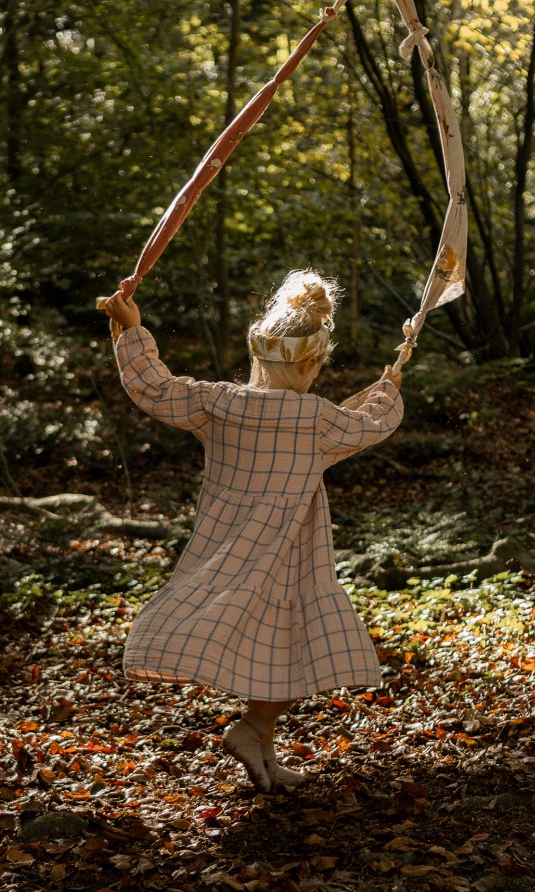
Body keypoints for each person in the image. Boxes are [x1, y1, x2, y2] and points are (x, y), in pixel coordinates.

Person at [104, 270, 403, 792]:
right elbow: (372, 425)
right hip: (286, 552)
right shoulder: (318, 419)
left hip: (227, 549)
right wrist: (388, 389)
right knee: (298, 644)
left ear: (257, 355)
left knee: (280, 647)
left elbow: (152, 387)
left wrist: (128, 329)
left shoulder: (220, 404)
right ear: (312, 364)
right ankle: (254, 728)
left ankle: (261, 748)